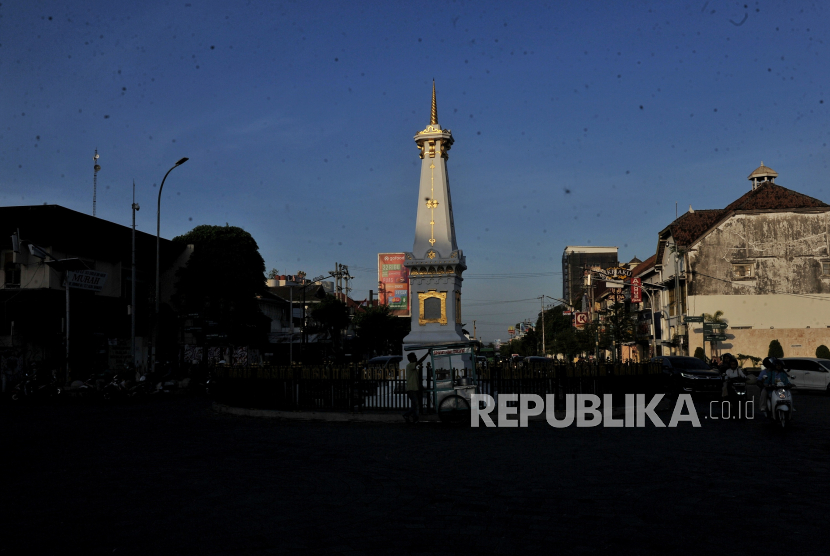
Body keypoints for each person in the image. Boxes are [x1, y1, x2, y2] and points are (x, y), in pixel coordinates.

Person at [403, 351, 429, 423]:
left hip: (414, 389)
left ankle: (408, 415)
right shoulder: (410, 365)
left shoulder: (413, 368)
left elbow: (416, 380)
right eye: (415, 357)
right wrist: (426, 354)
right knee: (416, 404)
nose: (416, 358)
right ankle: (415, 418)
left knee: (414, 405)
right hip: (412, 389)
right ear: (411, 359)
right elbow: (420, 361)